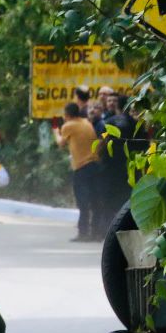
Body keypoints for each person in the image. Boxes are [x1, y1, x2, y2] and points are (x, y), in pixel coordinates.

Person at [54, 101, 100, 241]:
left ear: (67, 114)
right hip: (94, 164)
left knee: (82, 201)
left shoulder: (69, 125)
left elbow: (61, 143)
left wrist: (56, 131)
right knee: (94, 199)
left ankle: (83, 232)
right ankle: (95, 232)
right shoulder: (86, 122)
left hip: (81, 166)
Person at [95, 92, 136, 233]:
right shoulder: (134, 123)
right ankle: (124, 228)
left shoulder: (110, 122)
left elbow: (103, 143)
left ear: (118, 104)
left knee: (107, 199)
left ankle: (105, 230)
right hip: (127, 167)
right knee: (124, 198)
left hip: (109, 167)